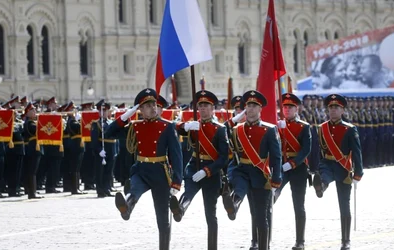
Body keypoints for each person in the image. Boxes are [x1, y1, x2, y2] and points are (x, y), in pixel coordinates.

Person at [111, 88, 183, 250]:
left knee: (162, 217)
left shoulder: (167, 126)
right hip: (141, 169)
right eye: (147, 105)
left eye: (154, 104)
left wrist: (177, 182)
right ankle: (126, 208)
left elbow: (176, 156)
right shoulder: (135, 126)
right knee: (133, 190)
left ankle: (163, 247)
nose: (152, 108)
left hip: (160, 172)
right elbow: (110, 132)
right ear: (140, 110)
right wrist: (125, 116)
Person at [223, 90, 282, 250]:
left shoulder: (269, 130)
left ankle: (263, 246)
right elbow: (231, 151)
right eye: (248, 105)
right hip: (241, 171)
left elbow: (276, 156)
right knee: (239, 189)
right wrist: (230, 122)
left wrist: (277, 178)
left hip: (261, 175)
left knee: (261, 217)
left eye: (254, 105)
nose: (250, 108)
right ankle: (233, 205)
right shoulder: (237, 129)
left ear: (260, 109)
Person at [170, 90, 229, 250]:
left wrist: (207, 171)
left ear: (212, 108)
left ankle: (212, 247)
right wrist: (186, 126)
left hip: (211, 172)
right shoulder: (194, 125)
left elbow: (224, 158)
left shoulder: (220, 129)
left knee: (210, 213)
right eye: (200, 106)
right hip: (193, 167)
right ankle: (180, 209)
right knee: (188, 192)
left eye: (206, 106)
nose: (202, 109)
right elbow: (176, 129)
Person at [312, 94, 364, 250]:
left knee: (344, 205)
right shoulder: (322, 128)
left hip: (344, 168)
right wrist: (314, 168)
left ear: (342, 110)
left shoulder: (350, 129)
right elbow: (318, 151)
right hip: (327, 163)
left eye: (336, 108)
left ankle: (345, 240)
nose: (333, 110)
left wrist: (358, 173)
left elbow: (357, 152)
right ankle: (321, 186)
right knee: (324, 177)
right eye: (331, 108)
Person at [276, 93, 312, 250]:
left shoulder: (304, 126)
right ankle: (263, 238)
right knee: (270, 197)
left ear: (296, 109)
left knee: (298, 205)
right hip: (281, 167)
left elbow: (306, 150)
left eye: (290, 107)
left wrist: (292, 163)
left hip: (298, 168)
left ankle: (300, 241)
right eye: (284, 107)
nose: (287, 110)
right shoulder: (277, 125)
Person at [91, 99, 117, 197]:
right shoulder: (96, 124)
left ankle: (107, 188)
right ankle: (100, 190)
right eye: (101, 110)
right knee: (100, 171)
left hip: (111, 150)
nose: (103, 112)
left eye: (105, 110)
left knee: (109, 171)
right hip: (102, 150)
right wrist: (99, 150)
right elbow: (94, 140)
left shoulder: (111, 122)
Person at [23, 102, 44, 199]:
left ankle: (32, 191)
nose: (35, 112)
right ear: (27, 113)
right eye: (32, 110)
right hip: (32, 149)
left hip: (34, 148)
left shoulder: (32, 122)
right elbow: (39, 130)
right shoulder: (29, 123)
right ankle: (31, 193)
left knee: (33, 171)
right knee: (32, 171)